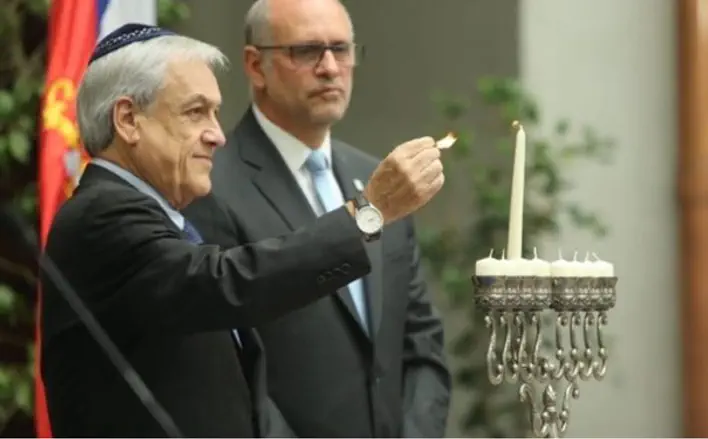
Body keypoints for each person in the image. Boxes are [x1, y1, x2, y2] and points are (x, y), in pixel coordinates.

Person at [40, 23, 445, 438]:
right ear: (128, 120)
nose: (216, 135)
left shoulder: (157, 218)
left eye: (215, 113)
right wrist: (367, 213)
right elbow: (229, 283)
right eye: (196, 112)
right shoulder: (102, 214)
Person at [182, 0, 451, 437]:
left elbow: (419, 340)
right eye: (306, 51)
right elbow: (226, 372)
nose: (329, 67)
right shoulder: (210, 185)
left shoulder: (383, 180)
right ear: (256, 66)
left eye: (341, 49)